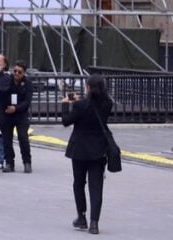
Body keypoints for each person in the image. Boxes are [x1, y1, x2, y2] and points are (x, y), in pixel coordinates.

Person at [62, 74, 113, 235]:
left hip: (79, 149)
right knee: (96, 186)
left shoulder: (80, 105)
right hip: (98, 150)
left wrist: (66, 104)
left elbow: (66, 121)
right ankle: (94, 223)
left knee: (79, 183)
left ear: (89, 88)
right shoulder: (107, 104)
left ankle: (81, 216)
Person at [1, 60, 32, 173]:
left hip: (21, 114)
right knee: (6, 139)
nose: (16, 74)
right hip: (7, 113)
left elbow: (27, 101)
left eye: (19, 72)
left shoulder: (27, 83)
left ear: (24, 73)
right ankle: (9, 163)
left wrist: (16, 108)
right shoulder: (7, 81)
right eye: (15, 71)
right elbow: (2, 95)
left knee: (23, 138)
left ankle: (27, 162)